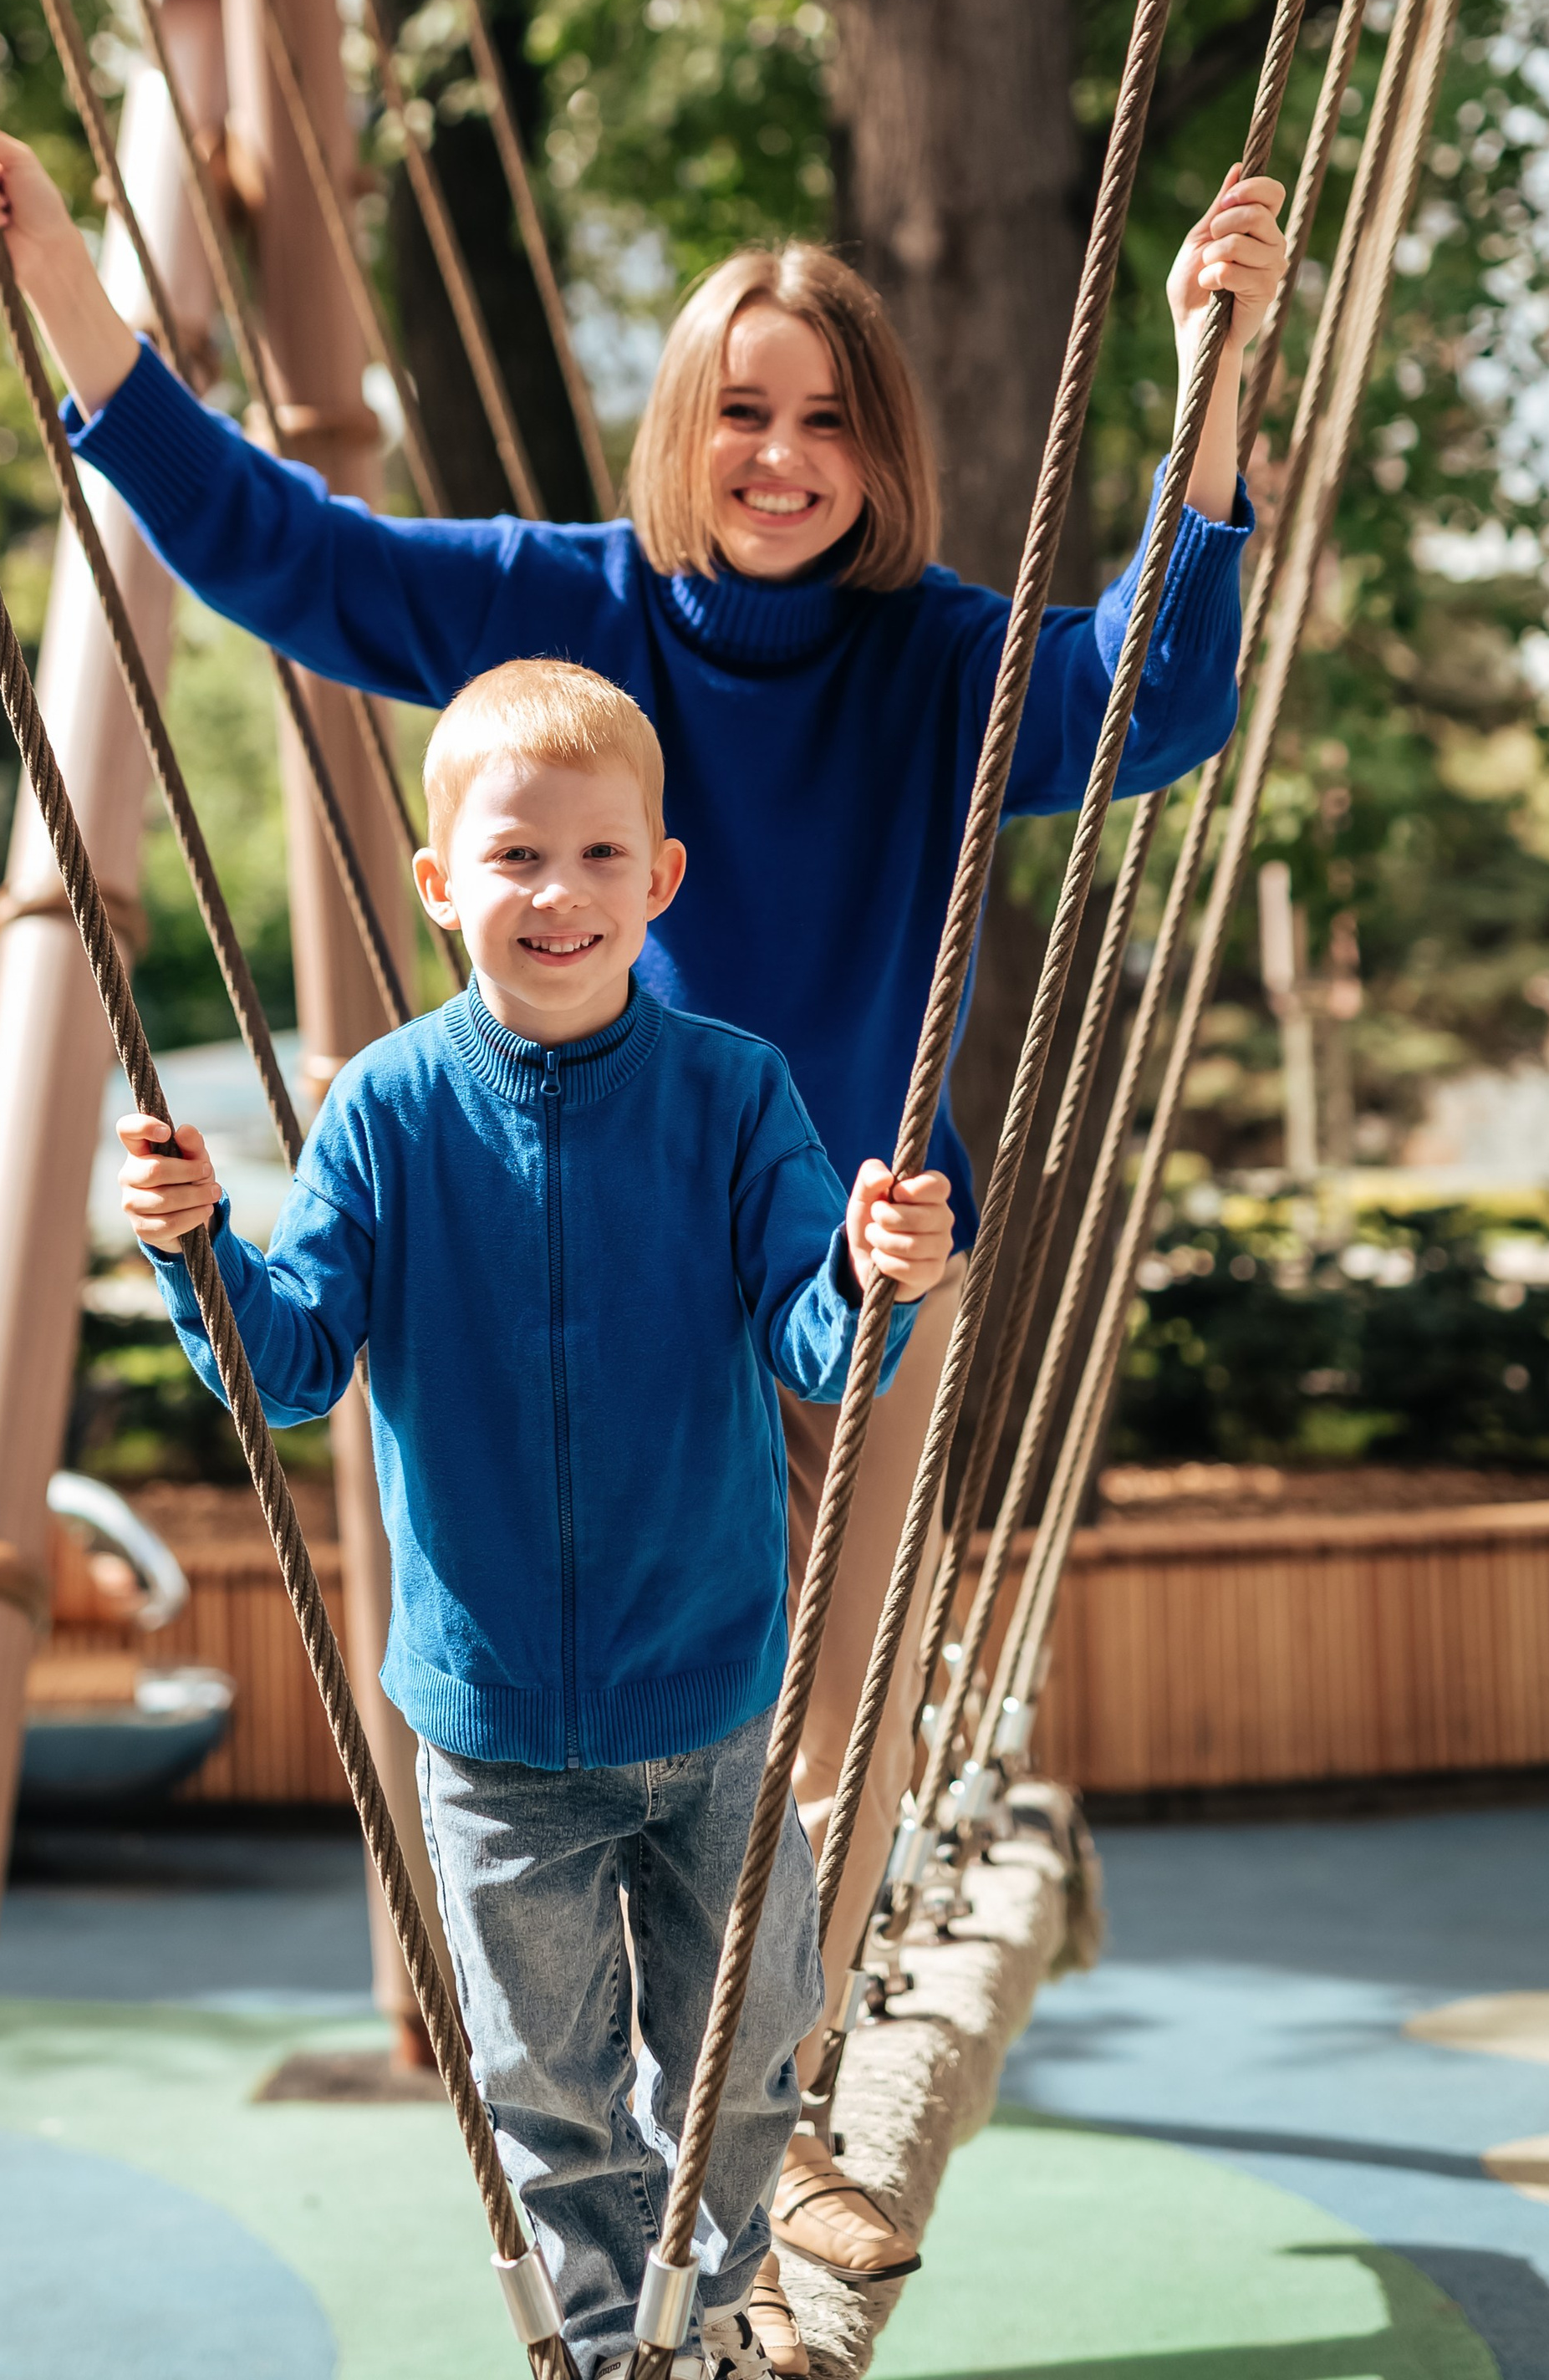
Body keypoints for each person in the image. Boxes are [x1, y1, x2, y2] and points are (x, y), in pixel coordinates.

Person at [0, 105, 1281, 2352]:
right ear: (681, 429)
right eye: (742, 410)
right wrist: (67, 276)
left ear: (880, 455)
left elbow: (1158, 693)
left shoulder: (929, 659)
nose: (780, 458)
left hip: (855, 1256)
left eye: (827, 420)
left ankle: (767, 2110)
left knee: (815, 1724)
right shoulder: (571, 613)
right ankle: (626, 2195)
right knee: (576, 1722)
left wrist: (1210, 375)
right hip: (601, 1260)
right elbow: (282, 547)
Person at [119, 660, 955, 2380]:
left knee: (744, 2057)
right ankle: (600, 2337)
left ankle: (713, 2305)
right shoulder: (387, 1109)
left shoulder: (733, 1092)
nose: (556, 892)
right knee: (544, 2085)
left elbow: (818, 1343)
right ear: (442, 884)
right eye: (513, 856)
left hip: (713, 1692)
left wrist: (876, 1272)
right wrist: (199, 1251)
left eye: (595, 855)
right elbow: (294, 1362)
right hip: (492, 1721)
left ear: (659, 877)